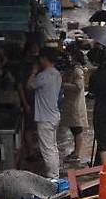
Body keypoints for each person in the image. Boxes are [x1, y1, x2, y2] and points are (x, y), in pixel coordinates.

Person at [27, 47, 62, 180]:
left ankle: (52, 178)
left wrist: (34, 72)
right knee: (53, 147)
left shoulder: (42, 76)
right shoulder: (57, 74)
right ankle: (55, 174)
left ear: (44, 59)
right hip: (54, 115)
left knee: (47, 149)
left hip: (45, 118)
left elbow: (29, 85)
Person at [59, 43, 88, 163]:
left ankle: (76, 154)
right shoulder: (73, 68)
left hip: (75, 104)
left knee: (77, 128)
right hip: (71, 102)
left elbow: (79, 86)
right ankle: (75, 152)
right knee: (74, 127)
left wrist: (63, 84)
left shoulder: (77, 70)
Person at [18, 41, 40, 162]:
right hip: (28, 101)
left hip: (37, 101)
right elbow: (20, 86)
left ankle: (33, 149)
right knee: (29, 127)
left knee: (34, 127)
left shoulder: (36, 64)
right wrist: (25, 103)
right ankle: (30, 151)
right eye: (34, 48)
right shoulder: (24, 66)